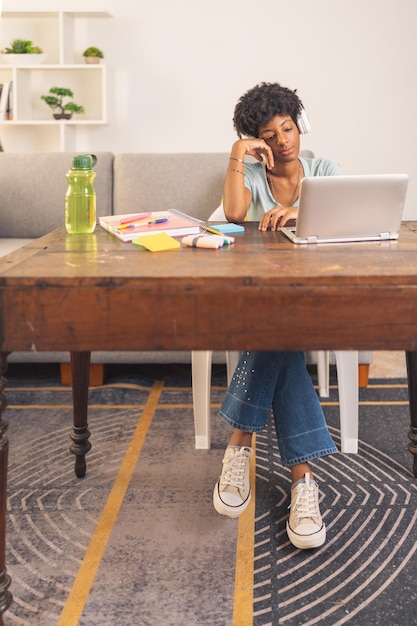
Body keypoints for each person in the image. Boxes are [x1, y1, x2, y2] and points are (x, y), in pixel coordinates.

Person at [213, 82, 341, 550]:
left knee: (277, 333)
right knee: (277, 334)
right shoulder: (249, 172)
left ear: (298, 124)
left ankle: (239, 444)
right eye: (269, 135)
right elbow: (232, 213)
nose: (283, 140)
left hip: (316, 298)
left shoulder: (324, 169)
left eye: (288, 127)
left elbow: (343, 212)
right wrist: (235, 154)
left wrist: (298, 209)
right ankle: (303, 479)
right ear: (257, 142)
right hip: (261, 300)